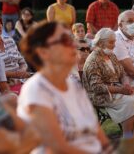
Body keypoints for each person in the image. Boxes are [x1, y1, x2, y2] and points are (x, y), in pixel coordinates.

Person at [18, 21, 111, 153]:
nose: (74, 44)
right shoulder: (36, 89)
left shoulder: (74, 86)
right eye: (65, 40)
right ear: (44, 52)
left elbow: (98, 134)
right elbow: (58, 147)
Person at [83, 28, 134, 138]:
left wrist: (126, 85)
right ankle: (128, 139)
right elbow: (97, 87)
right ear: (101, 43)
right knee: (129, 102)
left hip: (116, 89)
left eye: (115, 41)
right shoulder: (92, 61)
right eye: (111, 42)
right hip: (99, 95)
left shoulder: (111, 55)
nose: (114, 45)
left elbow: (122, 73)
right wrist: (121, 90)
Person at [0, 12, 30, 93]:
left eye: (0, 23)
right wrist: (13, 74)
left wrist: (22, 70)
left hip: (21, 81)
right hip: (2, 86)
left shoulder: (9, 40)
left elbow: (22, 62)